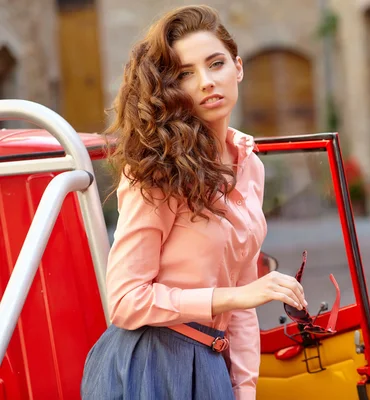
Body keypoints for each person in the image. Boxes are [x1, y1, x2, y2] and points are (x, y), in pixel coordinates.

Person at [80, 5, 307, 400]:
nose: (206, 82)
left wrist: (244, 388)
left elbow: (241, 302)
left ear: (237, 67)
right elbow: (125, 301)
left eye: (215, 64)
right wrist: (239, 295)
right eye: (186, 73)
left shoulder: (249, 165)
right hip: (150, 365)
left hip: (211, 363)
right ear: (171, 88)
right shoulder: (157, 173)